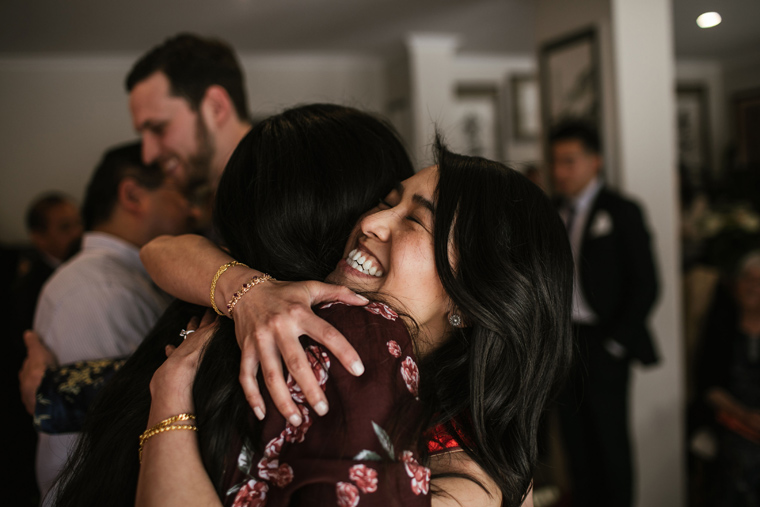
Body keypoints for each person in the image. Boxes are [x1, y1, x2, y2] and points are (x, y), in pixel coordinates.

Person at [53, 106, 573, 507]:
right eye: (386, 200)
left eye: (415, 220)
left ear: (473, 302)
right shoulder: (306, 329)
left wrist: (169, 399)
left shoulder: (463, 475)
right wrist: (249, 291)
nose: (371, 222)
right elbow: (163, 251)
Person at [33, 142, 198, 502]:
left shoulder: (121, 279)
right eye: (180, 193)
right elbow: (116, 427)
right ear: (133, 195)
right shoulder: (98, 289)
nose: (191, 208)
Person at [549, 119, 659, 507]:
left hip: (605, 341)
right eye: (555, 162)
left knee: (610, 446)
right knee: (575, 444)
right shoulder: (551, 211)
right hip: (565, 342)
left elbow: (647, 284)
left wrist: (615, 343)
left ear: (595, 161)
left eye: (569, 161)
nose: (560, 171)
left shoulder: (621, 210)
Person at [8, 193, 82, 507]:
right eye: (65, 227)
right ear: (39, 238)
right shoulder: (31, 289)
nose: (77, 233)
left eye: (78, 223)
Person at [694, 251, 760, 506]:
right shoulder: (722, 323)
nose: (753, 286)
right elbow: (708, 385)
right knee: (741, 460)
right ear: (735, 285)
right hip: (730, 418)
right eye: (747, 279)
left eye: (759, 281)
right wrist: (744, 416)